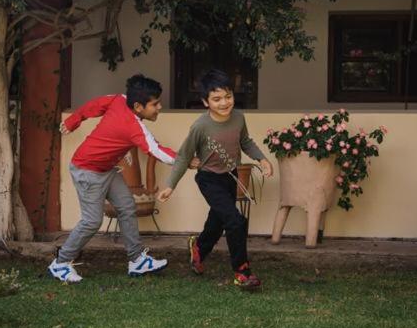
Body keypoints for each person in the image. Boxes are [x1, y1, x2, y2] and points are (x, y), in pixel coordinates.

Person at [49, 74, 177, 283]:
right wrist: (187, 161)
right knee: (91, 221)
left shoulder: (119, 99)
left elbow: (95, 105)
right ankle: (60, 263)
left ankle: (136, 261)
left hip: (106, 169)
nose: (159, 107)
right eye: (155, 104)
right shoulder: (133, 126)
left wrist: (74, 120)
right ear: (138, 106)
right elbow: (156, 150)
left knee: (127, 206)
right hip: (87, 170)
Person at [157, 69, 272, 290]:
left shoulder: (238, 117)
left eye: (228, 96)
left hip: (231, 176)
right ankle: (242, 272)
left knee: (218, 222)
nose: (224, 103)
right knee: (236, 221)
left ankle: (198, 248)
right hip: (209, 179)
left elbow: (245, 141)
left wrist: (262, 159)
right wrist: (170, 185)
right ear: (205, 101)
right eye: (217, 99)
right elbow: (183, 157)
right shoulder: (200, 126)